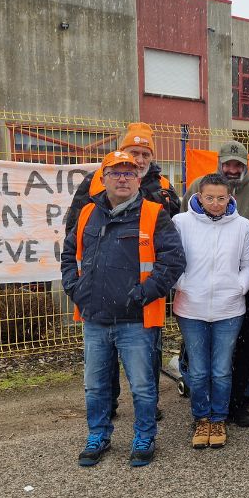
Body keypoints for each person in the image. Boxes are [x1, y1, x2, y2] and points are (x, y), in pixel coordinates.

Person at [61, 150, 185, 468]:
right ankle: (98, 435)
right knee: (96, 385)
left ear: (138, 179)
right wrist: (77, 291)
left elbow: (173, 260)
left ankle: (144, 436)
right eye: (115, 173)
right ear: (102, 179)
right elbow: (68, 253)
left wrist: (144, 293)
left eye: (129, 173)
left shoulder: (154, 214)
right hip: (95, 318)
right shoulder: (88, 213)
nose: (122, 178)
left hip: (137, 319)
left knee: (143, 386)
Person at [183, 140, 249, 428]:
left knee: (244, 346)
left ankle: (236, 403)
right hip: (198, 291)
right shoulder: (199, 184)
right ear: (219, 164)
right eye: (228, 164)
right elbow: (184, 226)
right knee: (202, 355)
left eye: (238, 165)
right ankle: (203, 405)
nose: (232, 169)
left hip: (243, 283)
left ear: (246, 165)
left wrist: (243, 285)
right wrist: (183, 282)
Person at [172, 173, 249, 449]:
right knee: (198, 370)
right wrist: (183, 285)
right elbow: (172, 261)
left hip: (229, 309)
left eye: (221, 198)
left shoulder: (242, 226)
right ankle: (201, 418)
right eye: (210, 198)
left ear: (230, 197)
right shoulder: (181, 223)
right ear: (199, 196)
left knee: (220, 369)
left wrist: (239, 288)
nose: (216, 204)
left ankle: (218, 418)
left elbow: (247, 264)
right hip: (190, 307)